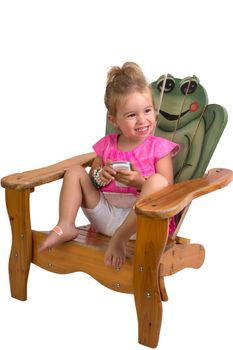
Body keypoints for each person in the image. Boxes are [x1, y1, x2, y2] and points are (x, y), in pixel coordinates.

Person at [39, 62, 179, 267]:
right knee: (75, 172)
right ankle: (65, 225)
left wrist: (141, 182)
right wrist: (99, 176)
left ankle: (120, 239)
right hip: (105, 217)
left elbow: (167, 191)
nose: (142, 120)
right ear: (114, 120)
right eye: (132, 115)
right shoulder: (106, 145)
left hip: (142, 223)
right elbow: (93, 182)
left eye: (147, 111)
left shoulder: (159, 148)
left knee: (157, 181)